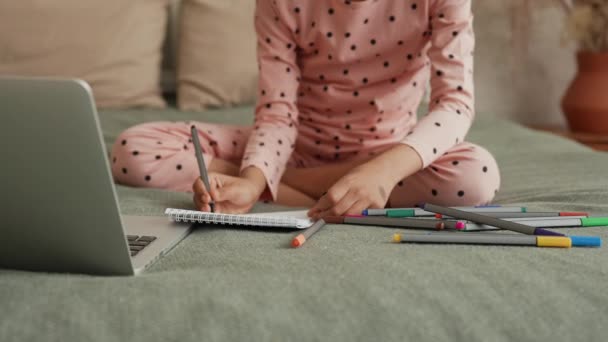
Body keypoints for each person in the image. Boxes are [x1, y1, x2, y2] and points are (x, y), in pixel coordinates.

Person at [111, 0, 500, 219]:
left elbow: (454, 103)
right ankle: (326, 191)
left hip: (389, 155)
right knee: (134, 150)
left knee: (475, 175)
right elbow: (278, 112)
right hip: (296, 147)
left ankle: (295, 189)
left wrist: (383, 170)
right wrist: (252, 178)